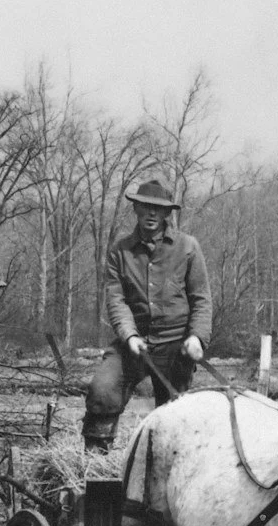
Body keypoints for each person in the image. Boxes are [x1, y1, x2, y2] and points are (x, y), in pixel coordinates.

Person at [83, 177, 213, 452]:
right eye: (145, 206)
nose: (152, 213)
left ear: (168, 213)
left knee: (173, 414)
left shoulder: (188, 247)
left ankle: (165, 469)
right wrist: (129, 336)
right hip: (134, 343)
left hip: (175, 345)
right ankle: (95, 463)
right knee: (102, 390)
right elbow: (116, 300)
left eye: (158, 208)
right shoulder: (120, 251)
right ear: (136, 210)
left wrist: (197, 338)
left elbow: (201, 299)